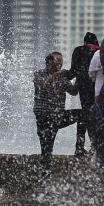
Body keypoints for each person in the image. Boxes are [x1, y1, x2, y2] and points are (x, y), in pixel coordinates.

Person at [33, 52, 81, 181]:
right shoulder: (39, 74)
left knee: (82, 115)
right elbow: (43, 84)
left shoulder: (62, 78)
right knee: (47, 148)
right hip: (44, 118)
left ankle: (80, 148)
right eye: (57, 62)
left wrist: (79, 76)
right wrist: (58, 74)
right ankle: (45, 178)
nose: (60, 65)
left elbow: (74, 91)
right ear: (49, 62)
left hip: (58, 117)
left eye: (61, 62)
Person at [69, 32, 100, 157]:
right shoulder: (100, 52)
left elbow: (74, 71)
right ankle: (95, 146)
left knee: (85, 115)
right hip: (97, 90)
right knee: (96, 118)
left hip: (83, 89)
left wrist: (63, 76)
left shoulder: (78, 50)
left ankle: (80, 147)